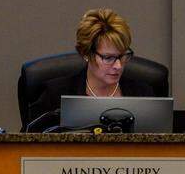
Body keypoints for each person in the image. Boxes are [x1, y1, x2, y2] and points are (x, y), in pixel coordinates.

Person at [26, 8, 156, 131]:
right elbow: (26, 140)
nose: (118, 65)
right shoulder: (55, 94)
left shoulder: (143, 92)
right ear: (86, 54)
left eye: (123, 56)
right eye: (108, 57)